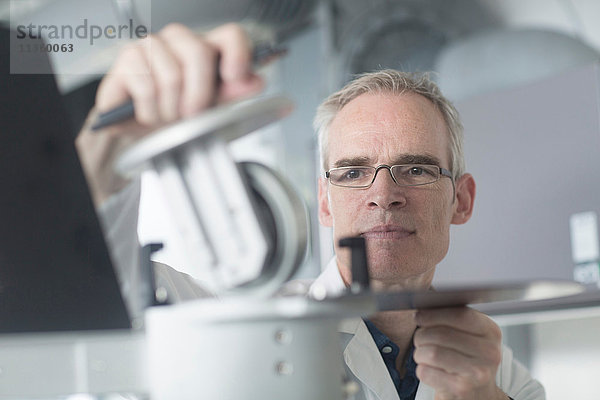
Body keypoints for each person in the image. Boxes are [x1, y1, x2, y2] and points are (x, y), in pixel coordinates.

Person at [76, 23, 545, 400]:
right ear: (324, 202)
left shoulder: (497, 371)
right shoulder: (252, 329)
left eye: (416, 169)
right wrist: (108, 149)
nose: (383, 195)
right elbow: (108, 288)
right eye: (353, 172)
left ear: (460, 201)